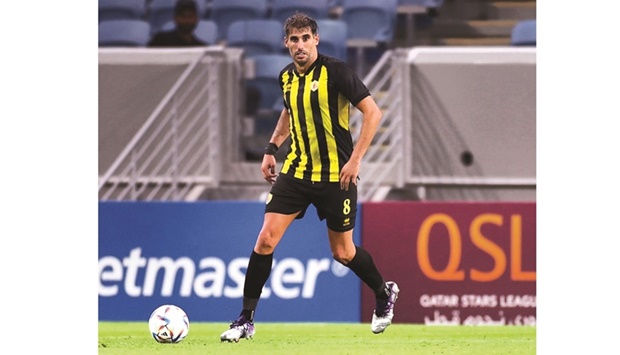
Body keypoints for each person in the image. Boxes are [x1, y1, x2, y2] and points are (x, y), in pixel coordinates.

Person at [220, 12, 399, 343]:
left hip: (337, 176)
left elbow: (373, 113)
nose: (300, 45)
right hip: (296, 173)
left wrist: (355, 160)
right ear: (285, 43)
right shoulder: (286, 77)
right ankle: (245, 319)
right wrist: (271, 148)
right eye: (294, 39)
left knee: (343, 253)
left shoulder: (337, 72)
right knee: (265, 240)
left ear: (316, 39)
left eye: (306, 38)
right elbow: (289, 111)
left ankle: (383, 291)